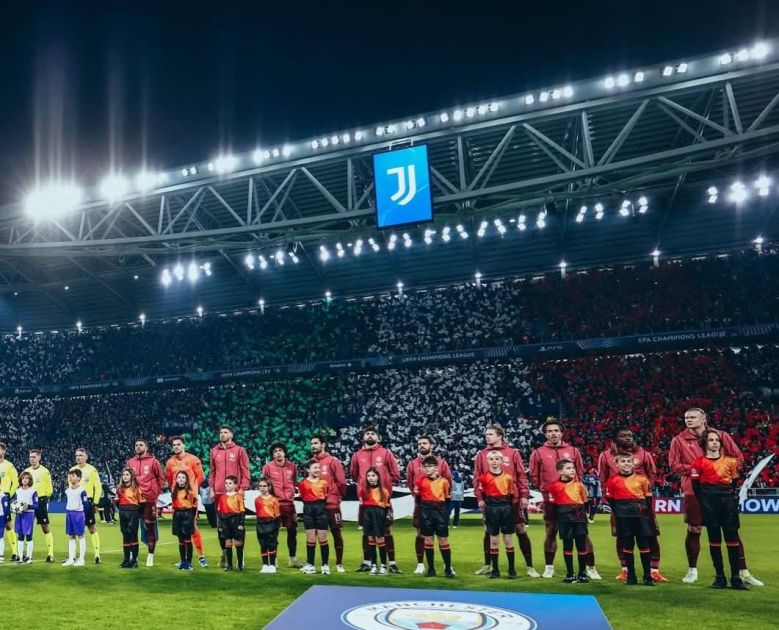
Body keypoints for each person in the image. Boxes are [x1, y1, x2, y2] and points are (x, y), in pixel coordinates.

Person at [669, 407, 763, 586]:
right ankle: (692, 570)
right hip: (693, 490)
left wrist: (720, 468)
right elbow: (674, 465)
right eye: (686, 417)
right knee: (694, 528)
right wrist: (700, 468)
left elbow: (738, 459)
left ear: (703, 418)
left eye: (693, 417)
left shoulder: (721, 435)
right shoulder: (679, 440)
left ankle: (743, 572)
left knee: (731, 531)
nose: (689, 420)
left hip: (721, 491)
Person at [529, 420, 599, 579]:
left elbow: (579, 472)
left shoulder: (573, 451)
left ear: (561, 433)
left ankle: (590, 568)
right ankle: (549, 567)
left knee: (583, 534)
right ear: (545, 434)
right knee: (551, 531)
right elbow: (534, 476)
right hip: (551, 500)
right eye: (549, 431)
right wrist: (547, 489)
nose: (553, 433)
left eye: (556, 430)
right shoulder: (538, 453)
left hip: (574, 500)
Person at [598, 427, 667, 582]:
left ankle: (654, 570)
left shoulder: (643, 453)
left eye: (630, 435)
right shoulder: (606, 455)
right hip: (619, 503)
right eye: (623, 435)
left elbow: (652, 474)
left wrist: (644, 492)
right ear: (615, 438)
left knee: (651, 535)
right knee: (621, 536)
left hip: (641, 503)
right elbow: (603, 477)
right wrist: (608, 499)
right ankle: (625, 570)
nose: (628, 438)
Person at [473, 426, 537, 577]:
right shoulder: (481, 454)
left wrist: (524, 495)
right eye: (486, 434)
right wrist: (480, 498)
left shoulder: (513, 453)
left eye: (490, 434)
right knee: (489, 531)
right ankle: (488, 565)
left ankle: (530, 566)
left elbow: (521, 476)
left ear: (500, 436)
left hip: (512, 500)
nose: (487, 437)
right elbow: (477, 479)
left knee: (520, 529)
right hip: (491, 501)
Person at [691, 430, 748, 590]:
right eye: (711, 440)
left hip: (728, 504)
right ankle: (720, 577)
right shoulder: (698, 463)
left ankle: (736, 578)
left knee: (732, 540)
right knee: (714, 541)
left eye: (717, 440)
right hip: (709, 505)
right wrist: (707, 500)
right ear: (704, 443)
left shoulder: (730, 462)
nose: (715, 442)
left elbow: (734, 483)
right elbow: (696, 487)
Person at [350, 425, 401, 573]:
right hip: (365, 500)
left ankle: (391, 563)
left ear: (378, 437)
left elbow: (395, 474)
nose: (370, 435)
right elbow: (354, 475)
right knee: (367, 531)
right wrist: (363, 486)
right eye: (367, 433)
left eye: (373, 433)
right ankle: (367, 562)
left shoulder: (386, 453)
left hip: (382, 500)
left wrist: (383, 485)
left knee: (387, 530)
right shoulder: (357, 455)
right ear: (363, 437)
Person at [605, 454, 655, 586]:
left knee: (644, 546)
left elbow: (648, 499)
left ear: (633, 463)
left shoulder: (642, 479)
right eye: (623, 461)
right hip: (623, 518)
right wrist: (619, 514)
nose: (626, 463)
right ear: (617, 464)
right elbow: (611, 501)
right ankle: (631, 576)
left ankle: (647, 576)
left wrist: (645, 514)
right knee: (627, 546)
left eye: (629, 461)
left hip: (641, 517)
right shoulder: (612, 480)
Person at [406, 435, 452, 575]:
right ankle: (420, 564)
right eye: (419, 443)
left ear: (431, 445)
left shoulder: (442, 463)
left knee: (442, 537)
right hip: (422, 505)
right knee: (421, 534)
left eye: (425, 443)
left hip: (439, 506)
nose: (422, 445)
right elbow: (410, 483)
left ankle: (447, 566)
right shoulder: (412, 464)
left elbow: (448, 483)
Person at [210, 426, 250, 568]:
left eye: (225, 432)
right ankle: (224, 555)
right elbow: (212, 472)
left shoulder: (239, 450)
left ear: (231, 434)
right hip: (219, 492)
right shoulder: (214, 451)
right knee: (221, 526)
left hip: (235, 492)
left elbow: (245, 471)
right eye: (221, 432)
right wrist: (211, 488)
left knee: (239, 525)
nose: (222, 434)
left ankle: (240, 556)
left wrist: (242, 488)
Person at [165, 436, 208, 567]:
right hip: (177, 498)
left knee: (192, 527)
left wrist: (191, 490)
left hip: (190, 498)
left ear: (184, 445)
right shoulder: (170, 462)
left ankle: (201, 556)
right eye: (174, 445)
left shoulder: (193, 459)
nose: (176, 447)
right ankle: (183, 559)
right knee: (180, 530)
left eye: (178, 444)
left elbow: (201, 477)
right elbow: (170, 480)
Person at [546, 460, 590, 584]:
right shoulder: (553, 486)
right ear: (560, 471)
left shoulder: (580, 485)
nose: (572, 470)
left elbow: (585, 502)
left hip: (579, 518)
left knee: (581, 545)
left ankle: (582, 573)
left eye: (573, 468)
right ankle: (570, 573)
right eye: (568, 468)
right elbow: (552, 505)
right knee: (567, 545)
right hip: (564, 519)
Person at [475, 450, 517, 579]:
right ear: (487, 461)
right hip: (491, 509)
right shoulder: (483, 478)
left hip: (506, 508)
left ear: (501, 461)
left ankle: (511, 570)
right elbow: (481, 494)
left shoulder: (508, 477)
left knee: (508, 539)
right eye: (491, 459)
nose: (494, 461)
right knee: (493, 539)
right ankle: (495, 570)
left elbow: (511, 494)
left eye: (497, 459)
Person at [311, 433, 347, 573]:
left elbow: (342, 482)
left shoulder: (333, 461)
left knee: (336, 533)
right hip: (317, 504)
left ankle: (339, 564)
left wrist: (336, 497)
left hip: (331, 504)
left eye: (315, 443)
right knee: (318, 534)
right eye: (311, 444)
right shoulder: (311, 463)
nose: (313, 446)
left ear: (323, 445)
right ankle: (323, 564)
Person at [262, 442, 301, 569]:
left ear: (284, 452)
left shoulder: (292, 466)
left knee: (292, 532)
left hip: (289, 504)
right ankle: (274, 559)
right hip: (275, 504)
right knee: (273, 533)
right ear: (272, 455)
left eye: (280, 450)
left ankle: (293, 559)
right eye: (275, 451)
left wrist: (289, 494)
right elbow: (264, 484)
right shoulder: (268, 467)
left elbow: (294, 481)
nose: (278, 453)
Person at [126, 439, 165, 567]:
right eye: (136, 445)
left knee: (149, 527)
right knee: (131, 528)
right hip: (133, 500)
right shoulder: (130, 462)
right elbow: (127, 479)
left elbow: (161, 479)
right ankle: (133, 556)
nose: (138, 447)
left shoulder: (154, 462)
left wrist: (155, 493)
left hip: (148, 500)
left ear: (146, 447)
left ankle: (150, 556)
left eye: (141, 445)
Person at [415, 455, 454, 578]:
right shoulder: (420, 481)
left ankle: (448, 569)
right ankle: (431, 569)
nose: (426, 469)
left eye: (429, 466)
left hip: (440, 512)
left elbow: (448, 499)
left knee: (443, 540)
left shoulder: (444, 482)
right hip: (426, 513)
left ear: (436, 467)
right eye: (424, 466)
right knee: (428, 540)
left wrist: (444, 513)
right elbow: (418, 499)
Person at [298, 459, 331, 575]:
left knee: (323, 539)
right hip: (308, 510)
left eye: (318, 468)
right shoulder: (302, 484)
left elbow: (325, 495)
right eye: (315, 468)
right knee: (311, 539)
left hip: (321, 510)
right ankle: (310, 565)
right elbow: (303, 497)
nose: (318, 470)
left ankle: (325, 565)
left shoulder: (324, 482)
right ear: (308, 470)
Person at [69, 448, 102, 564]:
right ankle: (73, 556)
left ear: (86, 457)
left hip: (87, 502)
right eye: (76, 455)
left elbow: (98, 487)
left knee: (91, 527)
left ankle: (97, 555)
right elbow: (70, 487)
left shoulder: (92, 470)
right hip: (75, 503)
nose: (78, 457)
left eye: (81, 455)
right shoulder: (72, 470)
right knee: (74, 530)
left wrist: (96, 502)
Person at [358, 467, 391, 575]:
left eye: (373, 475)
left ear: (378, 477)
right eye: (368, 476)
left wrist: (387, 520)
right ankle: (373, 565)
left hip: (379, 516)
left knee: (380, 540)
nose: (370, 478)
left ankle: (383, 566)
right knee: (370, 540)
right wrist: (361, 521)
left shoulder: (384, 491)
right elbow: (361, 507)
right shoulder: (363, 491)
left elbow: (387, 507)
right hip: (367, 516)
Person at [24, 448, 55, 562]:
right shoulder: (26, 471)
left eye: (34, 457)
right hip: (28, 502)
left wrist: (44, 500)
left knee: (45, 527)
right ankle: (28, 554)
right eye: (30, 457)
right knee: (27, 528)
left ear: (39, 458)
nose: (31, 459)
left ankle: (50, 554)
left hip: (40, 501)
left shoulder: (44, 471)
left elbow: (49, 489)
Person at [217, 476, 246, 571]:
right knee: (228, 543)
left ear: (235, 485)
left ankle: (240, 565)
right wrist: (220, 525)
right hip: (225, 522)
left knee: (238, 543)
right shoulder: (222, 497)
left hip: (235, 521)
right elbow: (219, 512)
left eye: (230, 483)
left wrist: (241, 523)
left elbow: (242, 511)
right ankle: (229, 565)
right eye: (226, 483)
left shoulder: (238, 496)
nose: (227, 485)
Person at [171, 471, 198, 572]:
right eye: (179, 477)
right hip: (177, 515)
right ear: (176, 479)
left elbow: (194, 507)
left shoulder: (190, 492)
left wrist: (191, 518)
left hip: (187, 515)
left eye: (183, 477)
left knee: (187, 539)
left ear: (186, 479)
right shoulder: (174, 491)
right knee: (180, 540)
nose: (181, 479)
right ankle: (183, 561)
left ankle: (189, 563)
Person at [116, 467, 142, 568]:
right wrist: (122, 509)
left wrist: (135, 512)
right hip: (123, 513)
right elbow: (117, 503)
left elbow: (142, 504)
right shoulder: (119, 489)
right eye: (123, 475)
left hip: (133, 513)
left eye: (127, 475)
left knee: (133, 535)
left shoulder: (136, 489)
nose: (125, 477)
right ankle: (126, 560)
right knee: (125, 535)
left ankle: (134, 561)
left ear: (131, 476)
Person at [62, 469, 89, 567]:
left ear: (78, 478)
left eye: (73, 475)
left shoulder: (82, 491)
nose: (70, 477)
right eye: (69, 475)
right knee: (71, 536)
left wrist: (84, 516)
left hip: (78, 514)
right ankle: (71, 558)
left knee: (81, 536)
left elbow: (86, 505)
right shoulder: (67, 490)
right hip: (69, 513)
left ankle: (81, 559)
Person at [254, 477, 281, 573]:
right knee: (263, 544)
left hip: (271, 523)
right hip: (260, 524)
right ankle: (265, 565)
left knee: (271, 544)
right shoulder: (257, 500)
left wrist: (276, 527)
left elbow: (277, 515)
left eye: (264, 486)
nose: (262, 488)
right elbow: (258, 513)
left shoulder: (274, 499)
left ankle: (272, 565)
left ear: (269, 487)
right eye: (260, 486)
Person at [13, 471, 38, 563]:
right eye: (23, 478)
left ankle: (29, 557)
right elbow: (14, 503)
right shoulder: (17, 491)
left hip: (29, 515)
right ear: (20, 479)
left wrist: (28, 506)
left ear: (30, 480)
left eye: (27, 478)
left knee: (28, 536)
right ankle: (20, 557)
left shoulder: (33, 491)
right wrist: (15, 508)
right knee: (20, 536)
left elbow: (36, 505)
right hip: (19, 515)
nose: (24, 480)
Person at [0, 442, 19, 561]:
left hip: (4, 496)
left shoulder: (9, 465)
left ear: (3, 451)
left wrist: (9, 494)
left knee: (7, 524)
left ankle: (15, 552)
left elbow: (15, 482)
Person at [0, 491, 9, 562]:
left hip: (1, 517)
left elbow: (5, 508)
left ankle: (1, 555)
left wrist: (6, 518)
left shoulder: (2, 495)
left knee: (0, 536)